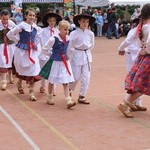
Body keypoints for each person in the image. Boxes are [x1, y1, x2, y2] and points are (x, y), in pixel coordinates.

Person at [117, 3, 150, 118]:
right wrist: (146, 51)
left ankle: (126, 103)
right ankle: (126, 103)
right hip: (148, 57)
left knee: (142, 84)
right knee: (143, 84)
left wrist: (120, 48)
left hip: (144, 57)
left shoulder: (142, 27)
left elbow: (128, 40)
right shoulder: (148, 27)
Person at [7, 8, 42, 101]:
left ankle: (31, 91)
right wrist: (18, 41)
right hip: (22, 52)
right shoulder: (21, 25)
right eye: (30, 15)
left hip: (32, 51)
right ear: (25, 16)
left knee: (33, 69)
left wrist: (34, 43)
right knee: (23, 69)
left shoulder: (36, 27)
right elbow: (9, 34)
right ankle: (19, 82)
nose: (32, 17)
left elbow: (39, 37)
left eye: (33, 15)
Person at [39, 20, 76, 109]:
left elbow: (70, 49)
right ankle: (49, 97)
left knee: (65, 81)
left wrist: (70, 54)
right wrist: (51, 54)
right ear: (59, 29)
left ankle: (68, 100)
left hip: (64, 62)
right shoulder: (54, 38)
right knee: (52, 81)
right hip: (55, 62)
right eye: (65, 29)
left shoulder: (68, 38)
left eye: (68, 30)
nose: (67, 31)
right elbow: (44, 49)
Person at [68, 13, 95, 105]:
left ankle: (82, 96)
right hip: (77, 54)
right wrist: (74, 53)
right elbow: (70, 46)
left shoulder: (90, 33)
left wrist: (87, 51)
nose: (85, 23)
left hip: (87, 55)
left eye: (87, 22)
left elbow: (92, 45)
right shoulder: (74, 33)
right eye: (83, 21)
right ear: (79, 21)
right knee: (76, 76)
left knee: (86, 77)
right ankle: (69, 90)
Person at [39, 12, 62, 94]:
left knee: (54, 70)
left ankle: (53, 89)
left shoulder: (57, 31)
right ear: (48, 21)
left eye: (54, 21)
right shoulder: (43, 30)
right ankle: (42, 85)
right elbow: (41, 41)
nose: (52, 22)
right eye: (50, 21)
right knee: (44, 69)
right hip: (45, 53)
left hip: (54, 53)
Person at [0, 9, 16, 90]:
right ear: (0, 17)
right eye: (3, 19)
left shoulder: (12, 24)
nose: (5, 21)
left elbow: (16, 34)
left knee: (11, 60)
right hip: (2, 45)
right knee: (3, 61)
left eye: (7, 19)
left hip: (11, 45)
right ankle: (4, 81)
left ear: (9, 17)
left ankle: (10, 76)